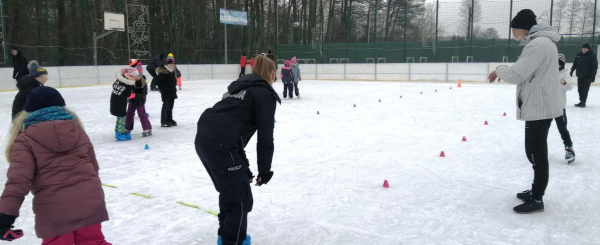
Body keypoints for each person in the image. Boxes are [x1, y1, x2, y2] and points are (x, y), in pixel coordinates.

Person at [0, 86, 110, 244]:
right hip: (89, 201)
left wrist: (5, 216)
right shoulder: (77, 130)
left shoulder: (25, 139)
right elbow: (94, 168)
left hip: (53, 209)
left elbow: (18, 181)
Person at [194, 55, 280, 245]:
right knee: (240, 199)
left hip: (205, 139)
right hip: (220, 145)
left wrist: (245, 167)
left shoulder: (239, 88)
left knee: (231, 190)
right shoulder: (264, 94)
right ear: (273, 74)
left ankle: (225, 237)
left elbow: (231, 130)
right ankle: (232, 241)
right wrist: (264, 171)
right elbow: (265, 137)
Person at [488, 9, 563, 214]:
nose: (513, 33)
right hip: (541, 104)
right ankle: (535, 191)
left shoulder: (537, 44)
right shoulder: (542, 43)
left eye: (514, 29)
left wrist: (498, 69)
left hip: (539, 106)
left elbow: (516, 74)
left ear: (523, 27)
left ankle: (537, 198)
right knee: (535, 151)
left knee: (536, 153)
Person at [556, 54, 576, 164]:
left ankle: (569, 148)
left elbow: (570, 86)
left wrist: (564, 82)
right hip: (547, 106)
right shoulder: (549, 72)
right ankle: (539, 148)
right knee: (542, 129)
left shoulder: (565, 73)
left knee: (562, 128)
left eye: (559, 63)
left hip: (559, 106)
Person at [125, 62, 152, 137]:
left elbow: (143, 94)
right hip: (132, 101)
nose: (135, 77)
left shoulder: (143, 84)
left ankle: (147, 128)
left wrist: (134, 95)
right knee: (129, 114)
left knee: (142, 114)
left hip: (140, 101)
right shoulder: (130, 82)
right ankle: (127, 128)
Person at [110, 67, 138, 141]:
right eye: (134, 77)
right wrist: (133, 95)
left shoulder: (119, 80)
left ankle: (118, 132)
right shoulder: (128, 85)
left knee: (119, 118)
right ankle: (119, 134)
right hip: (120, 103)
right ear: (130, 76)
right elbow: (128, 94)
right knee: (121, 118)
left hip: (114, 100)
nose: (135, 79)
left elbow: (114, 86)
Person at [570, 43, 598, 108]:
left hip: (588, 76)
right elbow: (575, 63)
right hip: (579, 75)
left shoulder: (592, 55)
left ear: (588, 49)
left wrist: (593, 76)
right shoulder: (579, 54)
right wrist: (572, 70)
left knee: (585, 89)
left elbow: (595, 67)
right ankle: (581, 101)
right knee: (580, 89)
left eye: (585, 49)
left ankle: (583, 102)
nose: (583, 50)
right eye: (583, 49)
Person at [154, 53, 178, 127]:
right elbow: (158, 81)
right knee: (166, 106)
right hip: (166, 91)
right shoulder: (164, 72)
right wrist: (161, 89)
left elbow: (174, 81)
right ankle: (164, 121)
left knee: (170, 106)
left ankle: (169, 119)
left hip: (172, 90)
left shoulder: (171, 71)